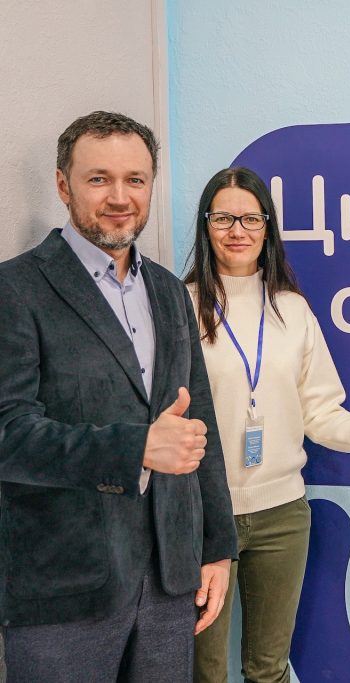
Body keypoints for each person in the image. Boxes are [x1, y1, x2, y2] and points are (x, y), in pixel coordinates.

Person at [0, 111, 236, 681]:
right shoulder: (15, 290)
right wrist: (135, 449)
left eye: (135, 179)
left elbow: (197, 418)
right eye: (98, 178)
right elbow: (8, 433)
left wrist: (216, 545)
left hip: (168, 579)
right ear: (63, 185)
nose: (119, 197)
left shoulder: (168, 291)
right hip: (64, 586)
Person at [186, 166, 350, 682]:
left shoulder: (292, 310)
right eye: (223, 217)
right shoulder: (180, 307)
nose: (237, 229)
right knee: (204, 671)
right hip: (201, 516)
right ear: (206, 226)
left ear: (267, 228)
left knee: (268, 670)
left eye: (250, 218)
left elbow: (320, 412)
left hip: (280, 517)